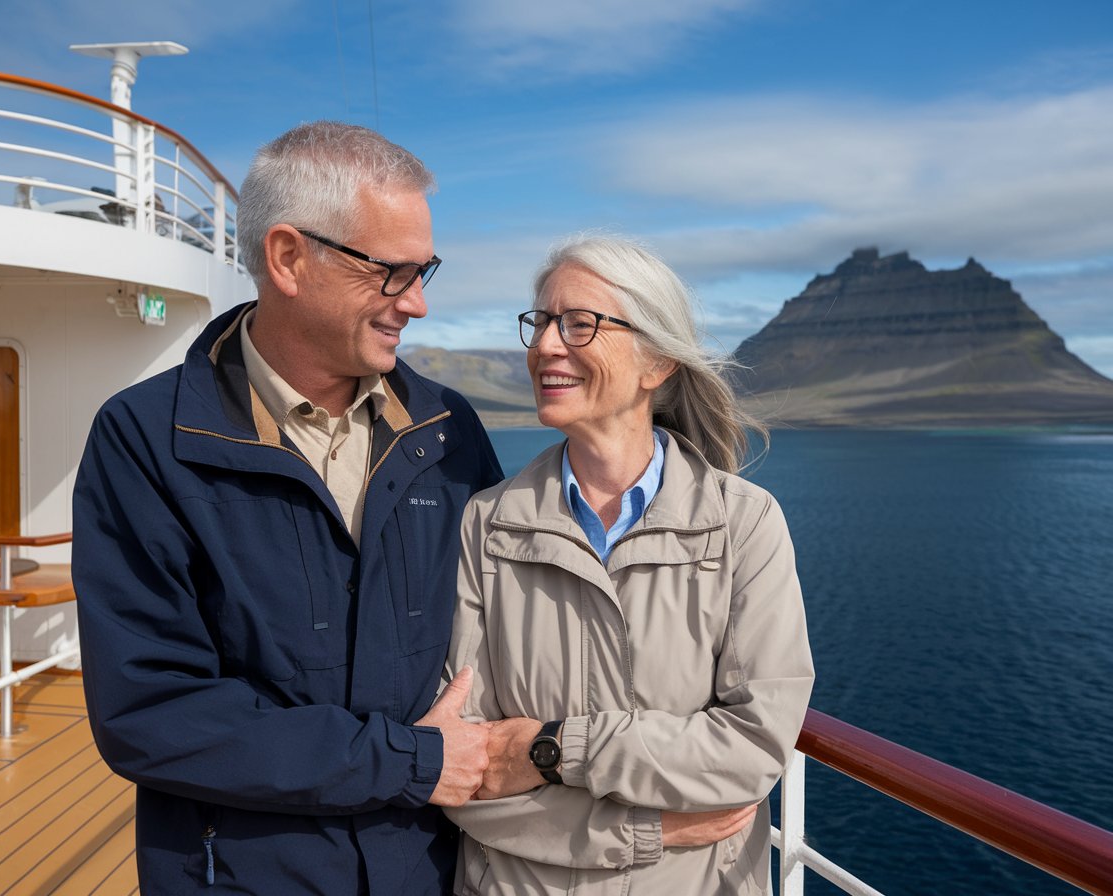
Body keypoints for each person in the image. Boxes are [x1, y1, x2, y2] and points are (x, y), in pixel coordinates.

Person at [72, 121, 503, 894]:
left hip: (431, 872)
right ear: (288, 258)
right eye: (393, 273)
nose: (421, 303)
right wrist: (410, 762)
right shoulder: (145, 440)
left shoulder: (450, 433)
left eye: (425, 269)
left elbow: (510, 636)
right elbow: (150, 712)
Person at [443, 235, 814, 894]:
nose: (546, 346)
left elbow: (753, 751)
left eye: (579, 324)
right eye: (541, 322)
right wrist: (652, 830)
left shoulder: (742, 524)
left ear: (657, 362)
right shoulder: (487, 525)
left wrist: (551, 747)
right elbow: (463, 769)